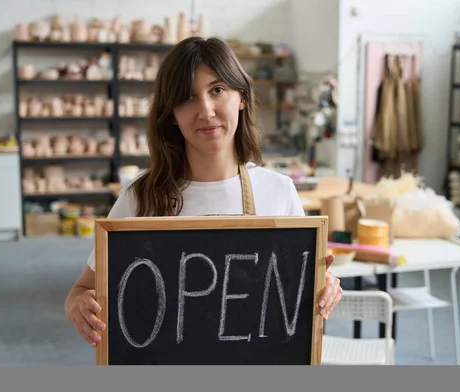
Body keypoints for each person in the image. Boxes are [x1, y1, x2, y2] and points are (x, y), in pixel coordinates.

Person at [64, 36, 343, 348]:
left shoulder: (279, 192)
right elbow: (80, 291)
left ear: (242, 97)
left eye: (217, 90)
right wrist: (79, 306)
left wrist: (324, 286)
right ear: (171, 113)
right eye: (187, 98)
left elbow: (290, 294)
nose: (206, 111)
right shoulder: (139, 196)